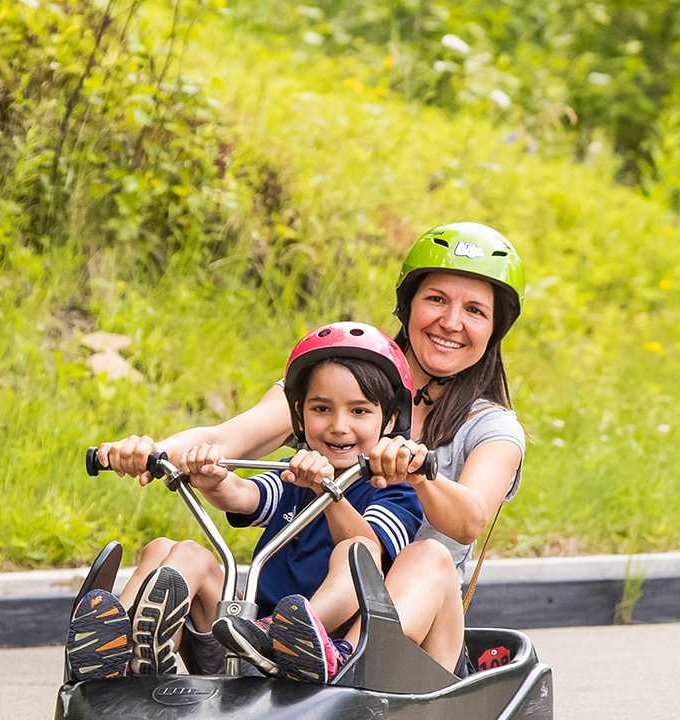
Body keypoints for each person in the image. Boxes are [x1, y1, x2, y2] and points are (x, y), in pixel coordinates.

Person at [85, 222, 528, 675]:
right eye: (436, 299)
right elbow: (229, 439)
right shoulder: (335, 375)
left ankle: (337, 656)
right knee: (166, 549)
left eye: (474, 310)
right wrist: (151, 450)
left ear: (494, 328)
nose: (451, 322)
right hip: (299, 612)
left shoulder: (491, 428)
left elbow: (468, 520)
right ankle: (123, 663)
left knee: (419, 554)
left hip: (408, 636)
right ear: (407, 304)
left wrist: (418, 474)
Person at [66, 322, 422, 683]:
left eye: (359, 412)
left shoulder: (393, 489)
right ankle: (114, 652)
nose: (338, 426)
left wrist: (327, 492)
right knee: (172, 550)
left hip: (316, 660)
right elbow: (243, 497)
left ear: (389, 419)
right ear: (299, 414)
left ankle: (284, 637)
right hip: (241, 641)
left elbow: (367, 555)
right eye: (321, 409)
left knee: (355, 548)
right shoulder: (292, 474)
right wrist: (213, 479)